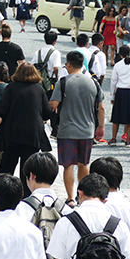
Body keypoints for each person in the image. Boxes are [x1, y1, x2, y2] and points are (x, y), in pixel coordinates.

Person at [50, 51, 105, 203]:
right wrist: (100, 126)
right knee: (84, 164)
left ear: (68, 64)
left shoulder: (63, 82)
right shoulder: (93, 82)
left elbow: (53, 104)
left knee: (68, 166)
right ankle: (84, 196)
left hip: (67, 130)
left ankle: (70, 198)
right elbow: (101, 107)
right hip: (87, 130)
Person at [0, 62, 53, 180]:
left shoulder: (11, 87)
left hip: (12, 134)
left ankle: (2, 191)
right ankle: (26, 194)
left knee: (7, 167)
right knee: (28, 169)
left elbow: (1, 111)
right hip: (32, 134)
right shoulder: (39, 89)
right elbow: (47, 113)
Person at [109, 45, 130, 146]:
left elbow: (113, 81)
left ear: (120, 54)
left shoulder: (118, 65)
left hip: (120, 92)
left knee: (116, 117)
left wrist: (112, 95)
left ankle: (113, 138)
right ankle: (128, 140)